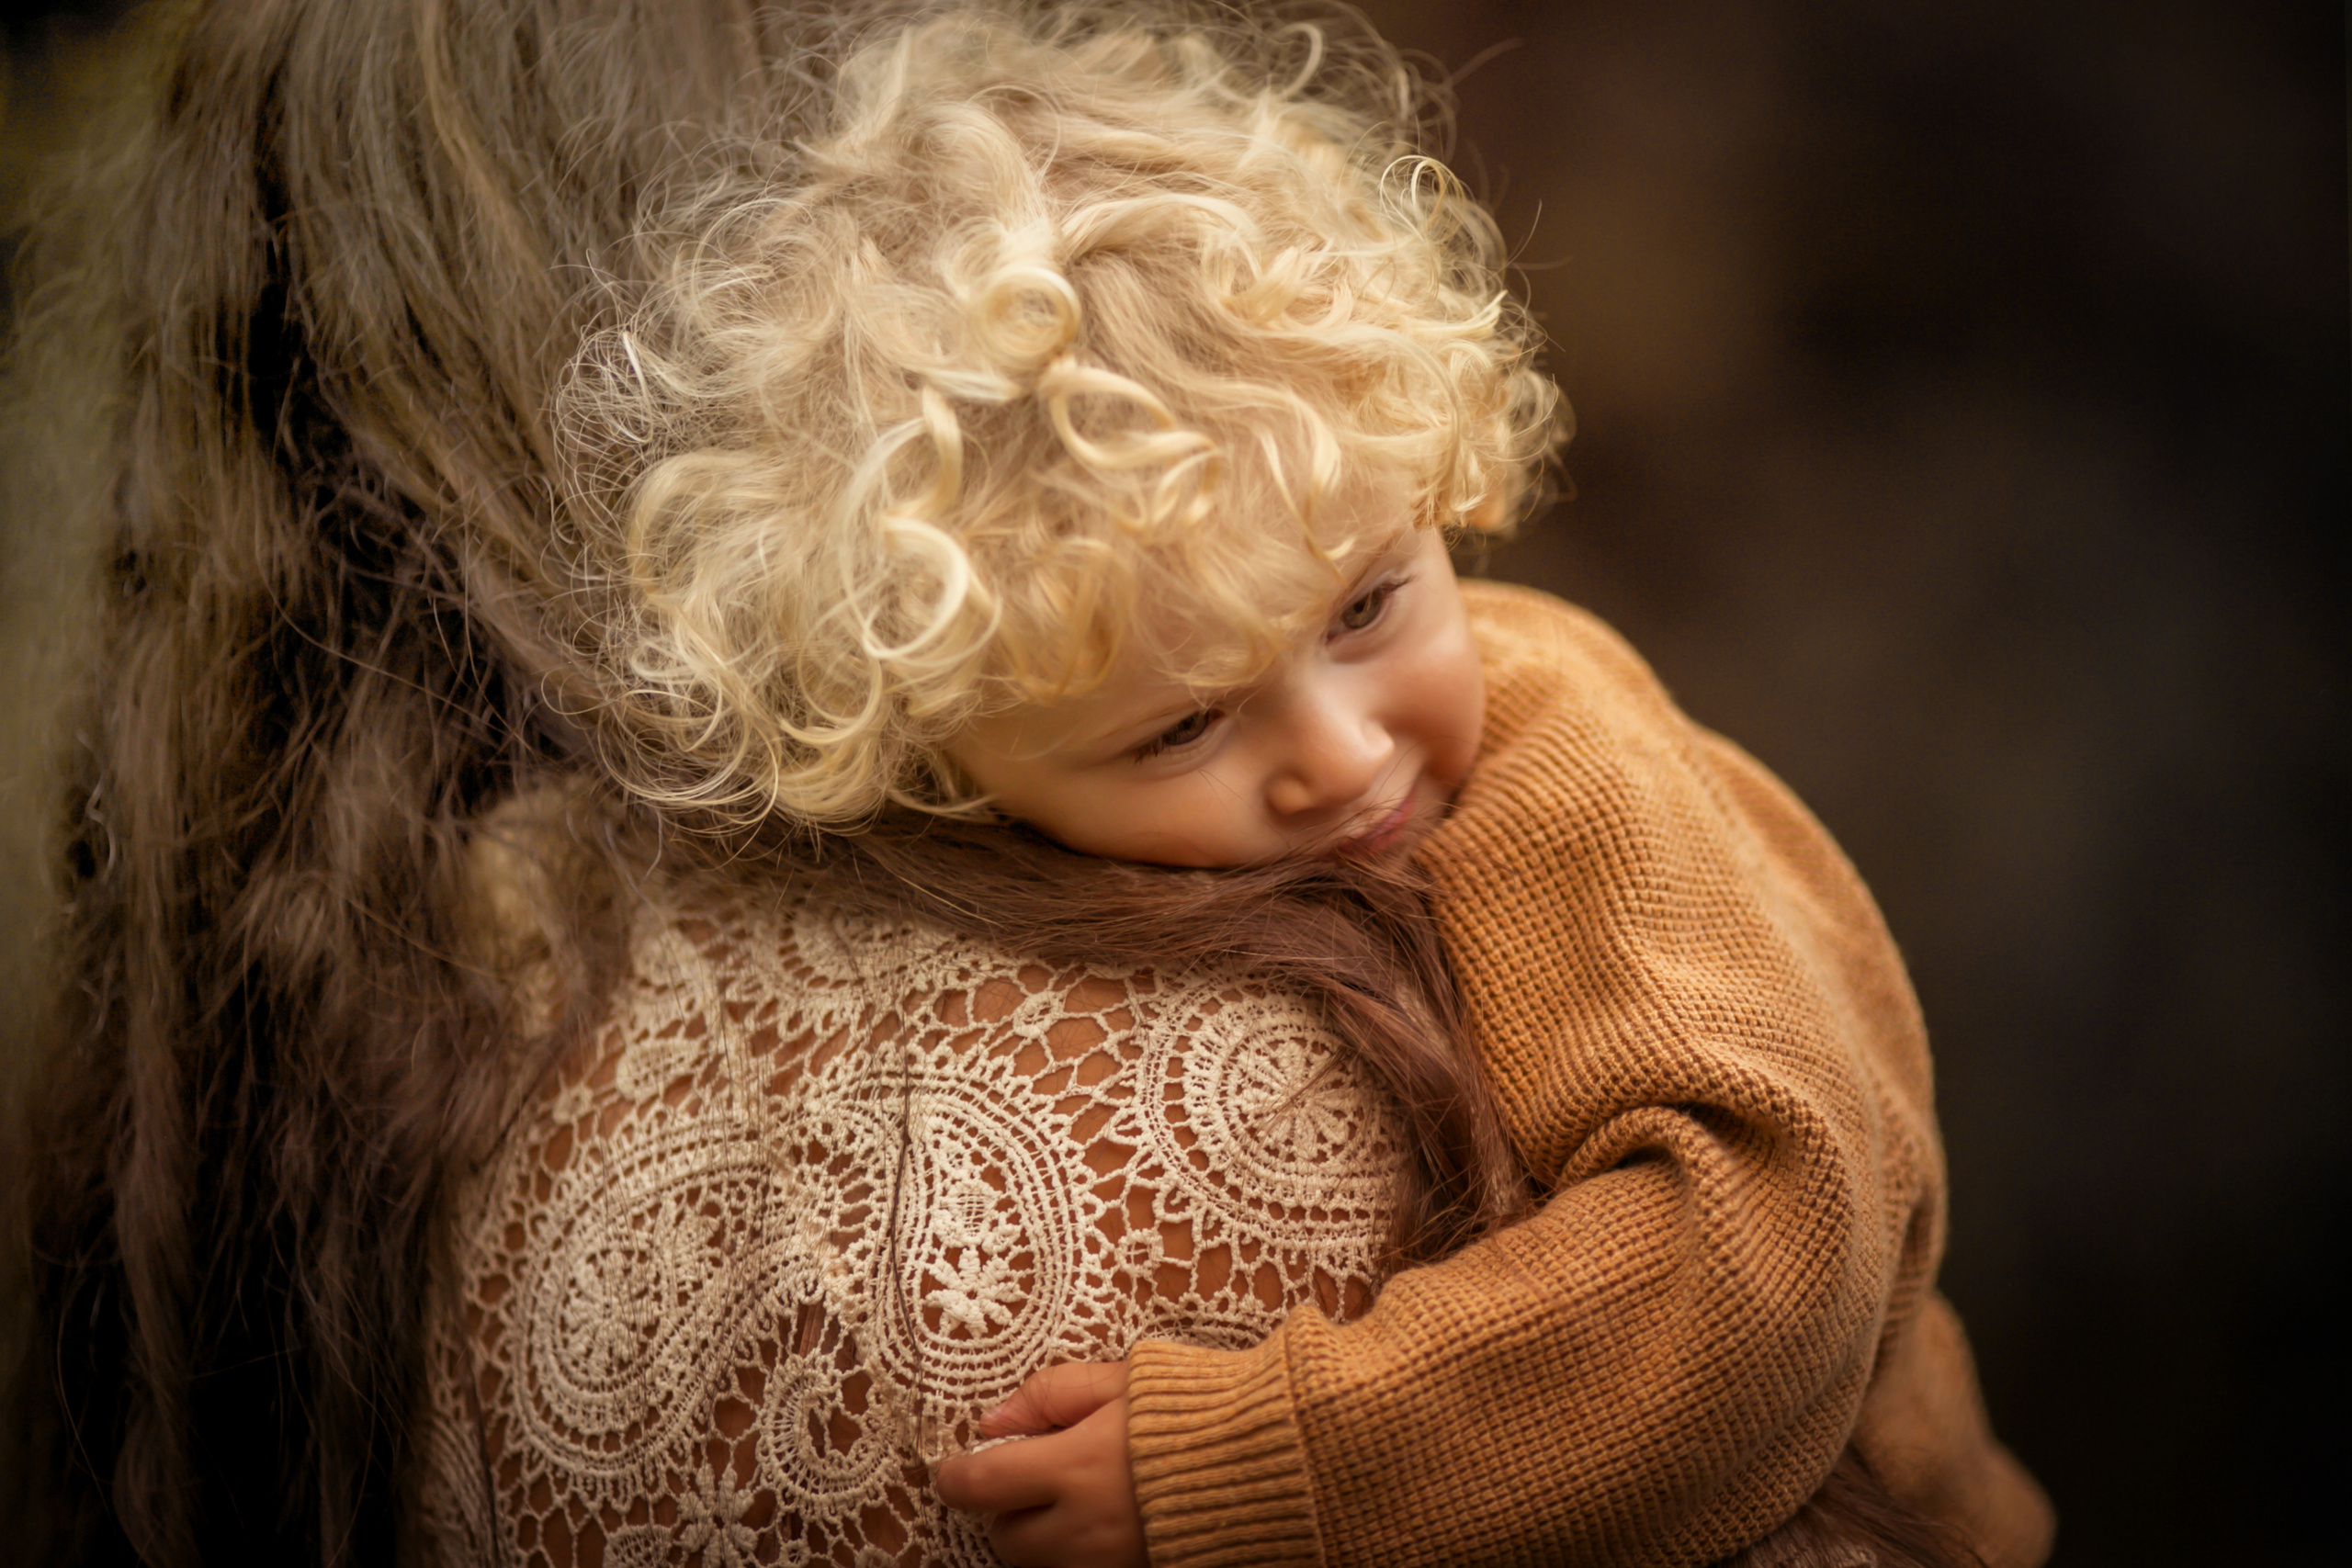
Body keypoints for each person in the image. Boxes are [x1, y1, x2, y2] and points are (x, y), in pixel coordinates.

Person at [4, 3, 2051, 1567]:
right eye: (1177, 730)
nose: (1343, 757)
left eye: (1369, 598)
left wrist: (1269, 1465)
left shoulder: (1557, 756)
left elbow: (1769, 1261)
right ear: (924, 755)